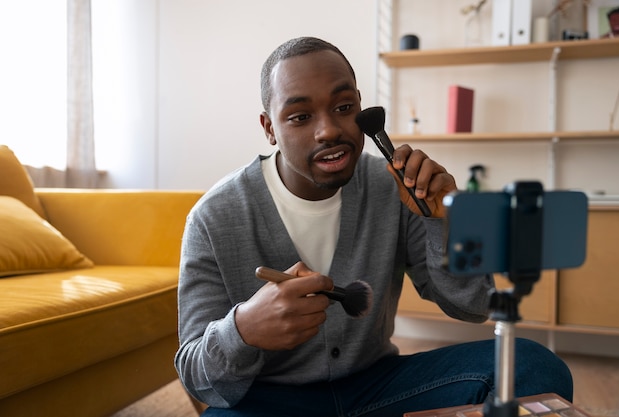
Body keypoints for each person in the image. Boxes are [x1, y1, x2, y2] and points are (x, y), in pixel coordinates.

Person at [175, 36, 573, 416]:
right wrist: (242, 330)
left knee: (531, 365)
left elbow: (473, 307)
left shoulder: (393, 187)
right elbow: (195, 376)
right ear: (268, 128)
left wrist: (446, 224)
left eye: (344, 107)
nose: (329, 130)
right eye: (299, 116)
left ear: (361, 107)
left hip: (381, 386)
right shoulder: (213, 217)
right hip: (271, 401)